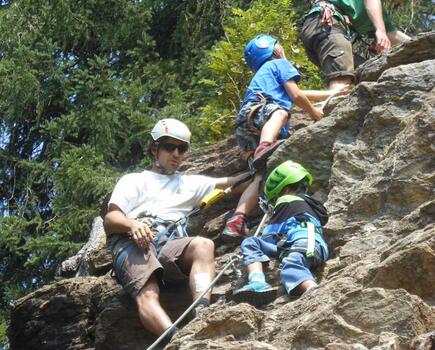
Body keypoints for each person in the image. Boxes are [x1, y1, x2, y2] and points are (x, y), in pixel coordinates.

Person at [104, 118, 249, 346]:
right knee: (148, 293)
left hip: (171, 244)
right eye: (170, 147)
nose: (176, 153)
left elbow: (232, 184)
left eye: (182, 149)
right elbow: (111, 218)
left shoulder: (188, 183)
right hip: (134, 240)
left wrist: (261, 169)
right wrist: (133, 225)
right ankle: (177, 340)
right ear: (155, 148)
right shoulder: (134, 180)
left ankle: (202, 314)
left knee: (204, 245)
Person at [222, 34, 341, 240]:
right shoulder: (280, 64)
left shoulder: (265, 73)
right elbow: (296, 96)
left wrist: (331, 93)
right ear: (275, 50)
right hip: (261, 114)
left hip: (247, 123)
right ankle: (265, 146)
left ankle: (237, 219)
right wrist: (315, 114)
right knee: (281, 113)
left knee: (260, 177)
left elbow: (299, 92)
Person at [233, 160, 329, 303]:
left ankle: (313, 292)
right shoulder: (307, 204)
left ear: (283, 190)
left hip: (304, 242)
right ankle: (259, 282)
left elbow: (270, 234)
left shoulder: (286, 199)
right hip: (303, 243)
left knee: (291, 263)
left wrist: (261, 245)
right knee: (253, 243)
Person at [300, 0, 412, 90]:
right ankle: (304, 100)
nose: (399, 3)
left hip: (322, 34)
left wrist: (424, 45)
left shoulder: (380, 14)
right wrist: (380, 31)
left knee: (369, 74)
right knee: (341, 82)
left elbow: (393, 35)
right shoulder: (375, 10)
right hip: (327, 24)